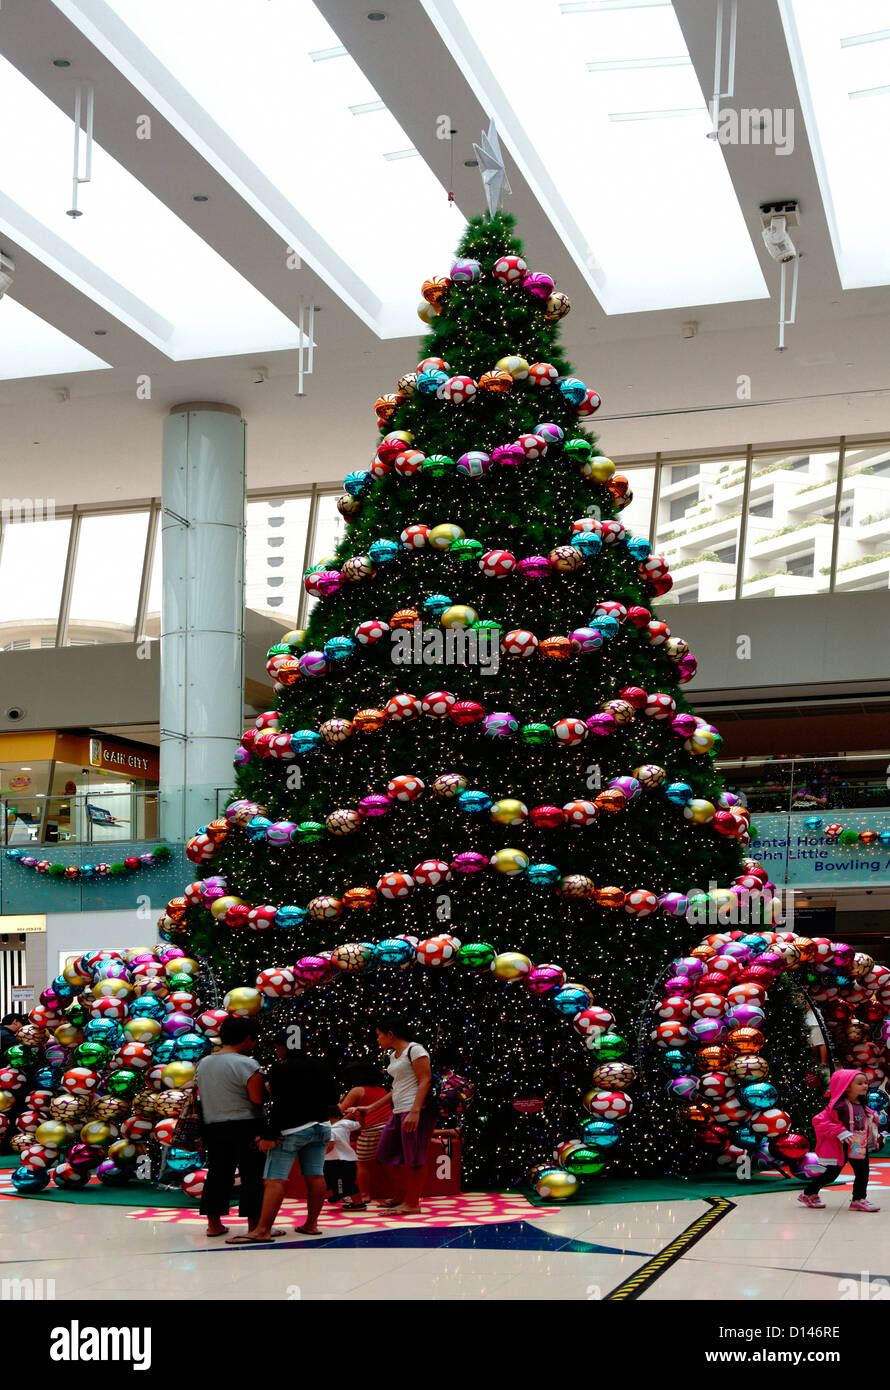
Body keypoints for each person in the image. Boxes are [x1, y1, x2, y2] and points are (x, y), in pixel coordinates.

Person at [229, 1030, 337, 1243]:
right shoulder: (321, 1065)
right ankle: (311, 1225)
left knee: (274, 1179)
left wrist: (270, 1134)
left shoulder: (280, 1068)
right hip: (321, 1127)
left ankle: (262, 1230)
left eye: (277, 1048)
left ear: (282, 1047)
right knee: (315, 1175)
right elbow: (333, 1097)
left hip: (291, 1130)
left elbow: (280, 1104)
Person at [350, 1015, 435, 1216]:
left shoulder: (415, 1049)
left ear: (390, 1034)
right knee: (385, 1154)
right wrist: (371, 1108)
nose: (377, 1039)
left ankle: (412, 1203)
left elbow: (425, 1080)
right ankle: (400, 1196)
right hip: (399, 1110)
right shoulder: (394, 1055)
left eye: (379, 1035)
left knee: (414, 1158)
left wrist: (415, 1111)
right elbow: (396, 1088)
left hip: (415, 1110)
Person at [194, 1017, 266, 1238]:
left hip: (213, 1125)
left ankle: (214, 1224)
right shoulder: (248, 1064)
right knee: (252, 1175)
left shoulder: (204, 1063)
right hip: (246, 1125)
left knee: (217, 1174)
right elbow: (257, 1099)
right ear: (246, 1039)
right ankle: (254, 1226)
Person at [798, 1068, 882, 1212]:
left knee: (863, 1171)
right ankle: (808, 1193)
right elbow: (819, 1121)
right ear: (846, 1086)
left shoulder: (862, 1104)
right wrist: (841, 1132)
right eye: (860, 1083)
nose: (865, 1086)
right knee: (832, 1173)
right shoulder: (838, 1106)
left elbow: (864, 1122)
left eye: (865, 1083)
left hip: (858, 1144)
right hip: (840, 1145)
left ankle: (858, 1199)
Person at [338, 1057, 392, 1206]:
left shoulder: (357, 1090)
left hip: (370, 1130)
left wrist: (340, 1103)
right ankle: (397, 1193)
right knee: (388, 1163)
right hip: (387, 1128)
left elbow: (341, 1112)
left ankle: (364, 1194)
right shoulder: (382, 1090)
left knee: (363, 1164)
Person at [324, 1105, 362, 1209]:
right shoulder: (345, 1123)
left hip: (337, 1160)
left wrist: (321, 1154)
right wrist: (357, 1115)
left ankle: (358, 1203)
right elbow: (359, 1125)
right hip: (346, 1159)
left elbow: (330, 1146)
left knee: (344, 1183)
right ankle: (338, 1194)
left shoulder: (330, 1130)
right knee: (335, 1179)